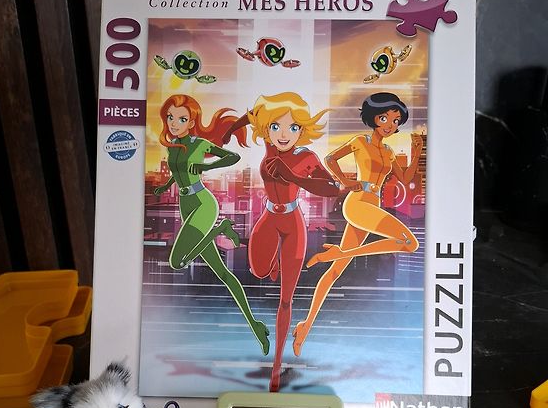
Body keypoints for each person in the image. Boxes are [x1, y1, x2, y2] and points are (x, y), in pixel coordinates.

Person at [293, 91, 423, 356]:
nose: (390, 125)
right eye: (385, 118)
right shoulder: (359, 142)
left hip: (373, 206)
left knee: (334, 272)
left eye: (395, 121)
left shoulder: (389, 151)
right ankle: (339, 253)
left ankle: (305, 326)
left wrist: (417, 152)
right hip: (357, 203)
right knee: (410, 243)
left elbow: (406, 177)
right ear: (374, 117)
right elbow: (330, 159)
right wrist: (345, 181)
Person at [239, 92, 341, 391]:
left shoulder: (306, 157)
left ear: (302, 130)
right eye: (276, 126)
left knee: (286, 299)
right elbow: (253, 115)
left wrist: (294, 178)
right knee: (259, 270)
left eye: (293, 127)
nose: (284, 134)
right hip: (269, 218)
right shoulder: (270, 143)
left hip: (293, 224)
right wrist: (230, 129)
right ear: (267, 128)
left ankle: (276, 366)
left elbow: (333, 188)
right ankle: (272, 265)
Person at [154, 94, 269, 355]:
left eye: (181, 118)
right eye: (170, 117)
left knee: (177, 262)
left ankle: (222, 227)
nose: (174, 123)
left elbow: (232, 157)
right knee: (224, 274)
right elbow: (178, 172)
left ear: (191, 121)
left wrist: (206, 166)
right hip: (186, 204)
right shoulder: (173, 146)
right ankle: (256, 325)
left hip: (203, 204)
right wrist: (166, 185)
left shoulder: (199, 143)